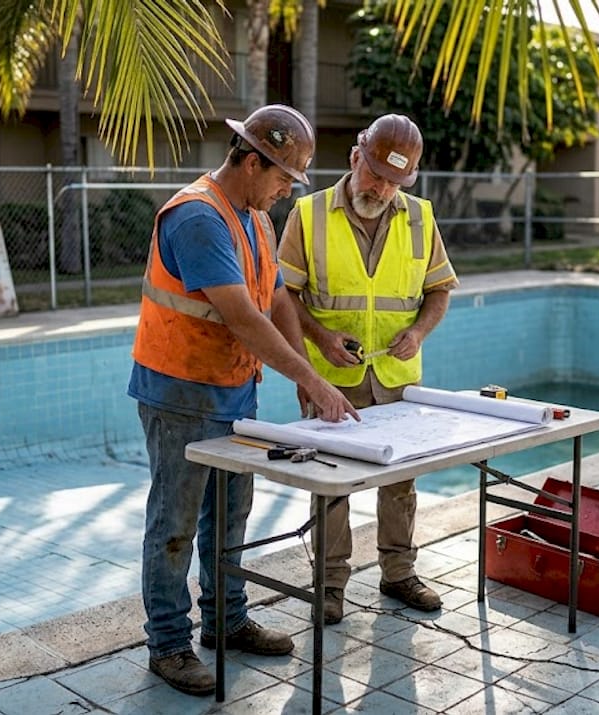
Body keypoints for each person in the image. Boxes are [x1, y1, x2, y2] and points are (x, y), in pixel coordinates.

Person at [129, 104, 359, 696]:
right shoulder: (197, 217)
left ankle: (226, 621)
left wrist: (305, 369)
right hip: (180, 393)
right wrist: (314, 383)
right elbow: (243, 318)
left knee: (231, 513)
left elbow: (275, 299)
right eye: (284, 176)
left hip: (233, 390)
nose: (289, 191)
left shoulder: (254, 217)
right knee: (175, 522)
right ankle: (168, 645)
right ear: (252, 162)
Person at [277, 113, 458, 624]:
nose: (380, 189)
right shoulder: (308, 214)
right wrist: (320, 340)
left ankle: (399, 574)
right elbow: (282, 297)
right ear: (355, 157)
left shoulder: (420, 217)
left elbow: (439, 290)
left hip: (399, 384)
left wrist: (418, 333)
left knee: (400, 484)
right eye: (375, 174)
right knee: (331, 486)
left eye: (393, 182)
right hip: (331, 381)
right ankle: (330, 585)